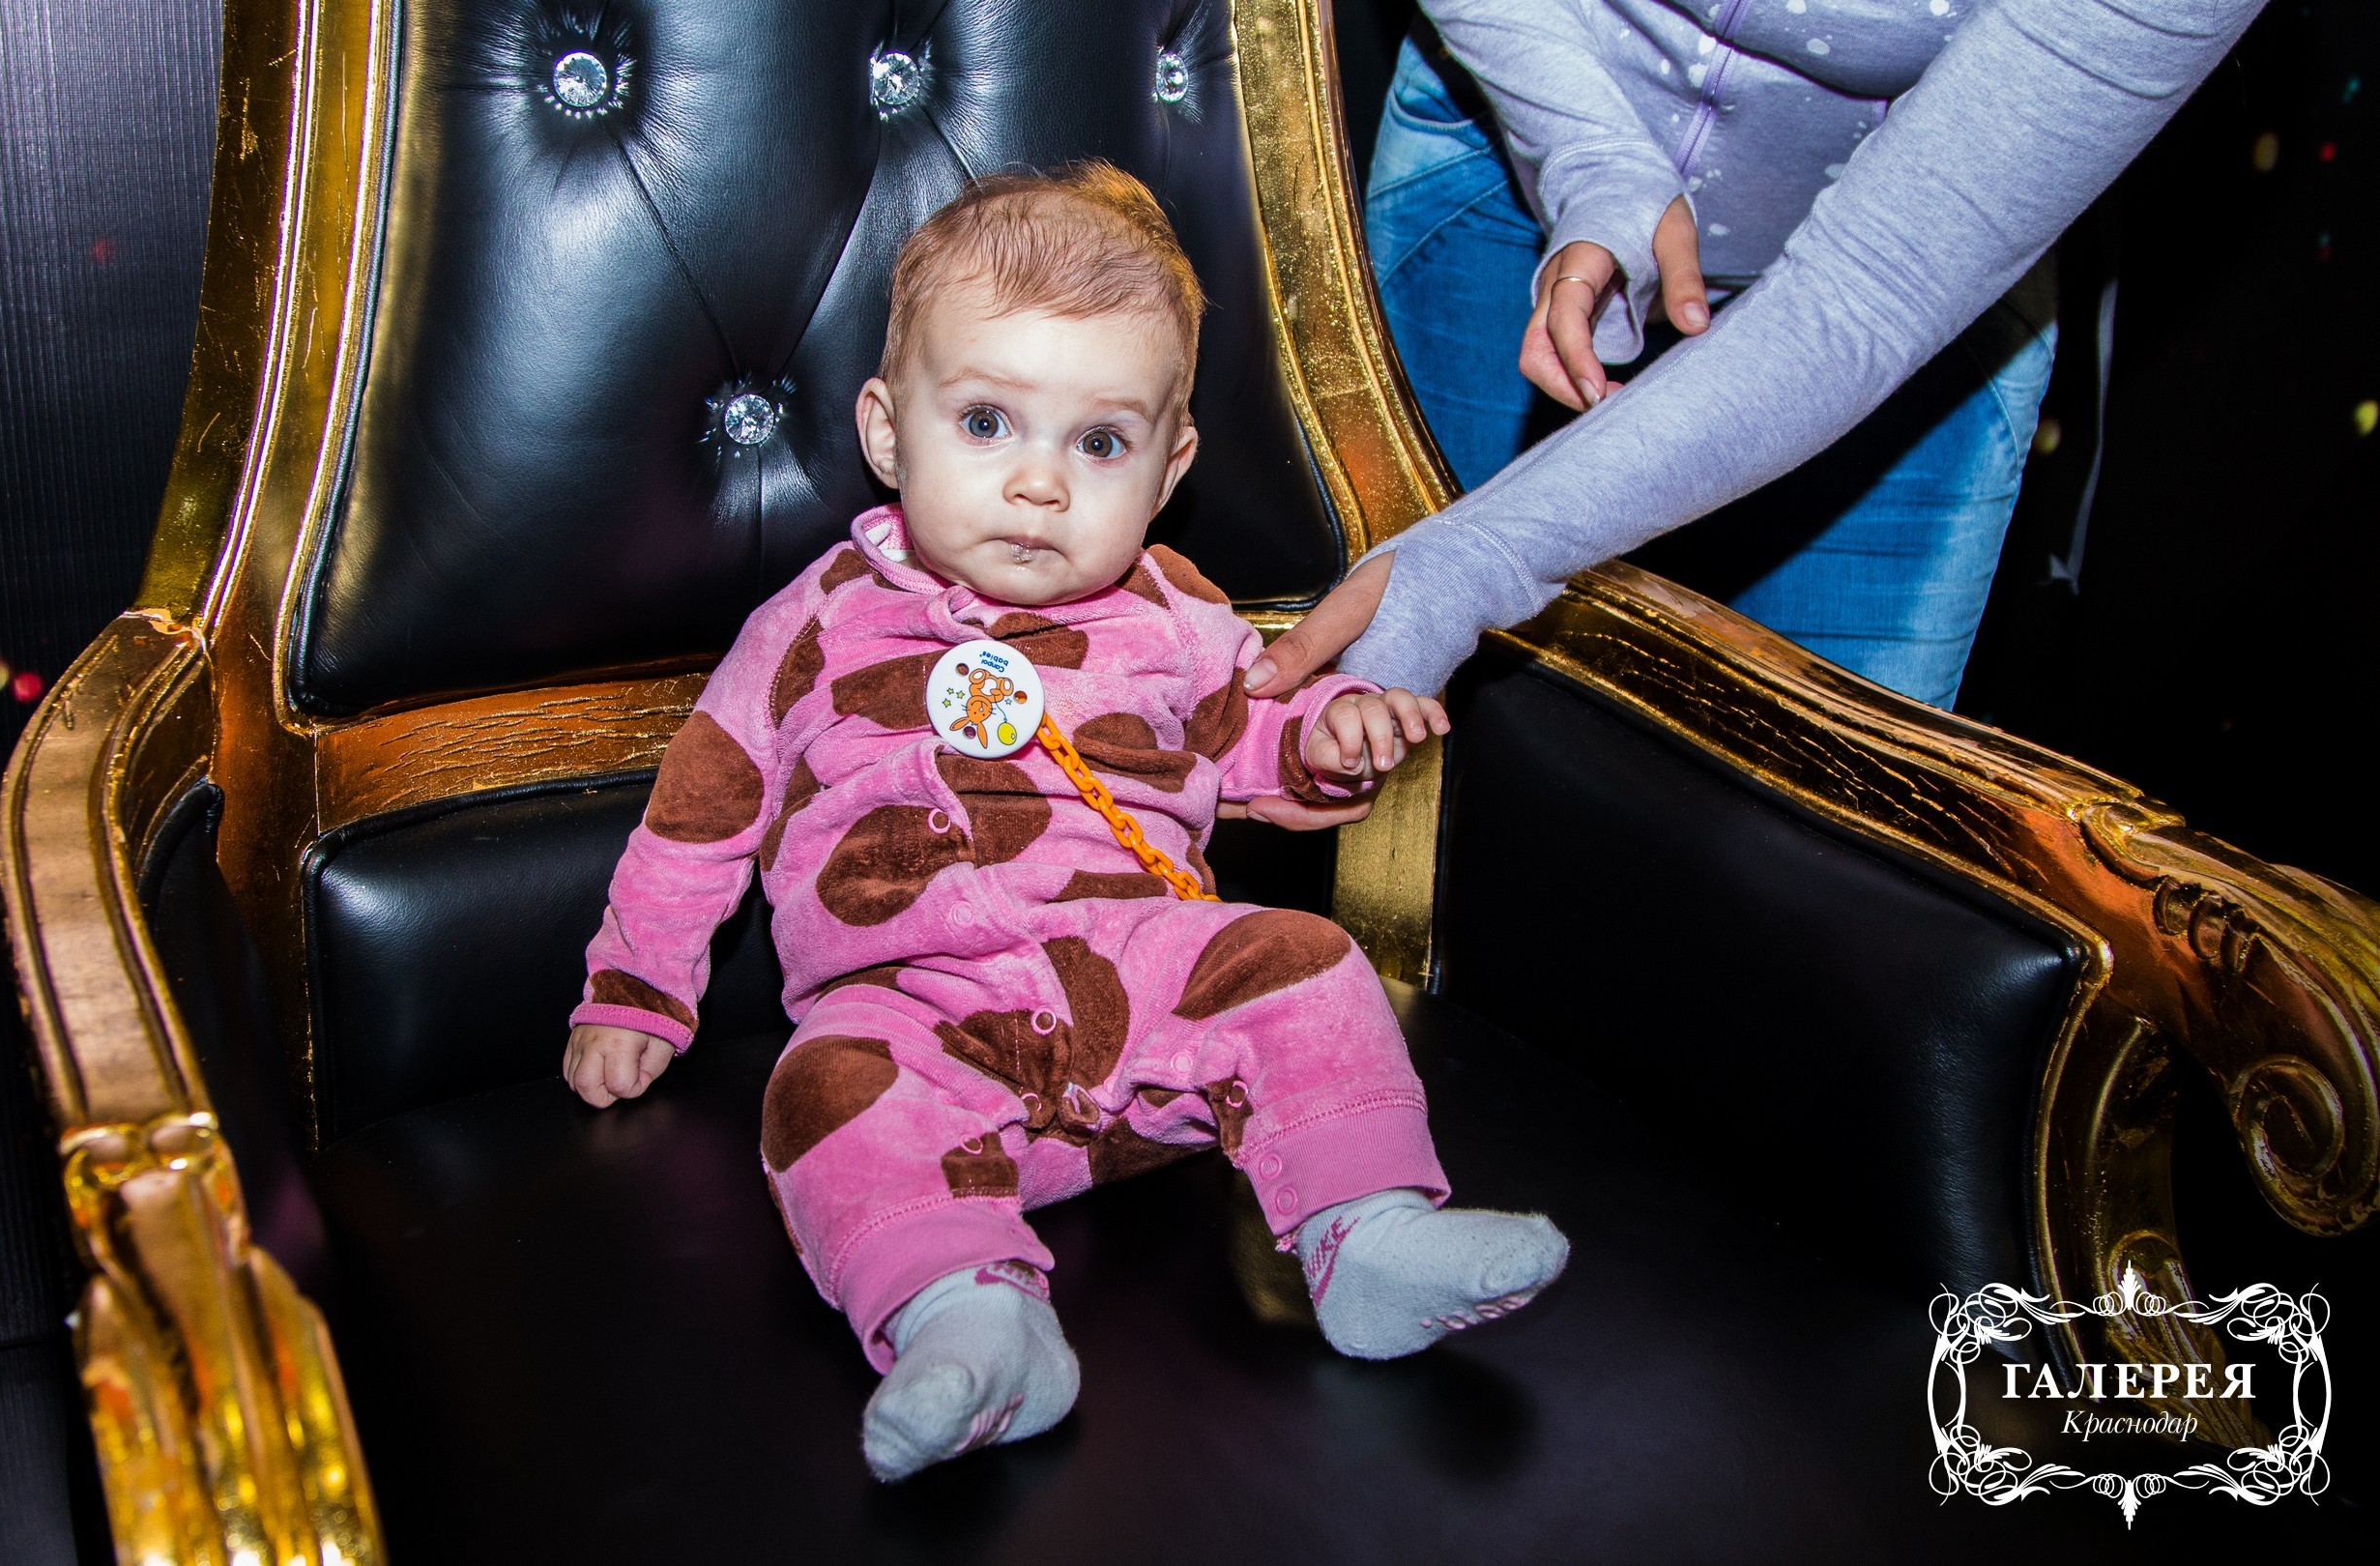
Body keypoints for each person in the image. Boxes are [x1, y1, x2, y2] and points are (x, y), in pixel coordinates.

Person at [558, 165, 1569, 1482]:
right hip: (915, 1015)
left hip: (1148, 1014)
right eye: (986, 422)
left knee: (1305, 962)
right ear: (888, 433)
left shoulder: (1174, 618)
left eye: (1099, 444)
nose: (1039, 484)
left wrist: (1331, 737)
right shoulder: (811, 625)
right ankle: (968, 1321)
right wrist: (636, 990)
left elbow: (1255, 740)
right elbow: (704, 811)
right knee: (821, 1091)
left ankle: (1367, 1235)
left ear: (1168, 468)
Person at [1253, 0, 2261, 708]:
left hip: (1909, 328)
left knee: (1810, 863)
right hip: (1507, 146)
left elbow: (1870, 291)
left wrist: (1476, 558)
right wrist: (1588, 152)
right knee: (1387, 745)